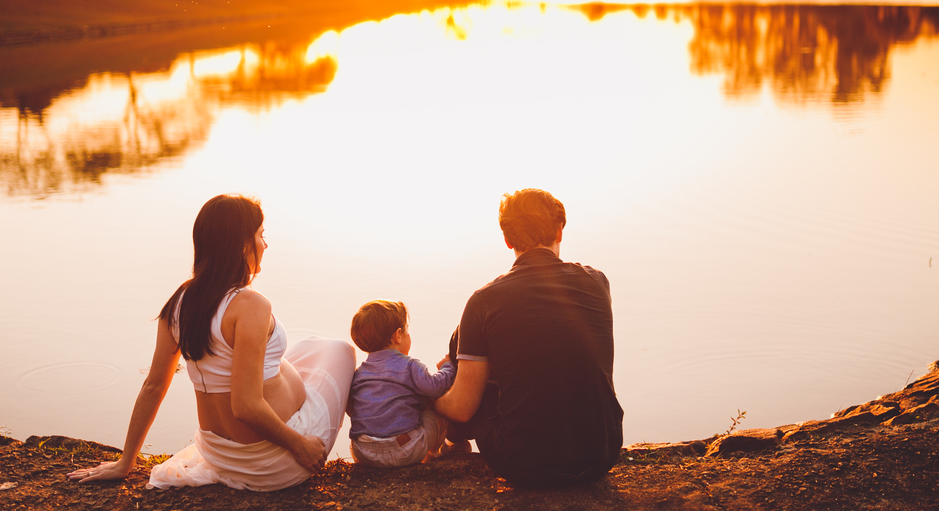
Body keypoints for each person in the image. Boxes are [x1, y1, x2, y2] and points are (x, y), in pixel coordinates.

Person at [67, 194, 356, 491]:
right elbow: (244, 406)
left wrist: (125, 462)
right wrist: (299, 446)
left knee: (309, 347)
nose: (265, 244)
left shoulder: (180, 301)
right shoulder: (250, 305)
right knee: (341, 351)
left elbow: (153, 385)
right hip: (272, 461)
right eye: (261, 235)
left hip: (220, 456)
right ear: (243, 244)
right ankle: (377, 444)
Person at [434, 188, 624, 488]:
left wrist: (433, 396)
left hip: (523, 463)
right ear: (560, 231)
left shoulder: (484, 300)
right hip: (601, 454)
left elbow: (462, 408)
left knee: (464, 348)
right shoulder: (597, 282)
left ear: (507, 239)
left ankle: (453, 445)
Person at [347, 300, 456, 468]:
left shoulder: (359, 374)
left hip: (364, 452)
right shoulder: (410, 365)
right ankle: (433, 454)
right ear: (398, 335)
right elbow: (435, 387)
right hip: (405, 450)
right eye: (407, 331)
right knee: (435, 409)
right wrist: (447, 366)